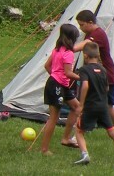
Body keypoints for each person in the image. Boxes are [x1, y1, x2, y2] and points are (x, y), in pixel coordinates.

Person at [67, 10, 114, 144]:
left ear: (90, 23)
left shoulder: (98, 34)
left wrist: (65, 50)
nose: (80, 28)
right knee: (101, 105)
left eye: (82, 25)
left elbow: (81, 46)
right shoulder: (90, 33)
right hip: (98, 74)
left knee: (106, 105)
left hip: (105, 75)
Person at [72, 41, 114, 166]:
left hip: (90, 107)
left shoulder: (84, 70)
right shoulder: (103, 70)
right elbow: (107, 88)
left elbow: (85, 85)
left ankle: (85, 155)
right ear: (98, 56)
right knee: (112, 131)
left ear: (85, 56)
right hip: (103, 106)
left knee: (79, 131)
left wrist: (81, 104)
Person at [40, 23, 82, 155]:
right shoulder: (68, 53)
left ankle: (65, 138)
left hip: (59, 84)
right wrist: (83, 78)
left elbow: (47, 66)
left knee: (76, 107)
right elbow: (69, 73)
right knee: (54, 118)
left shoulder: (57, 50)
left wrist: (55, 77)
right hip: (57, 86)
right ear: (72, 38)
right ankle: (44, 149)